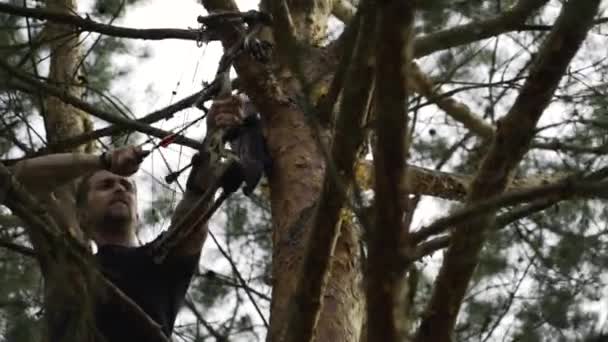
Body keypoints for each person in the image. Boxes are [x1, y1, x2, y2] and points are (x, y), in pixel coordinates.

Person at [9, 95, 245, 341]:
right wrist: (103, 161)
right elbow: (17, 179)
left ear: (138, 215)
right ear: (81, 215)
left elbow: (195, 204)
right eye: (106, 185)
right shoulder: (70, 265)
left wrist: (214, 135)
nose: (120, 188)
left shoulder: (160, 260)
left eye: (126, 186)